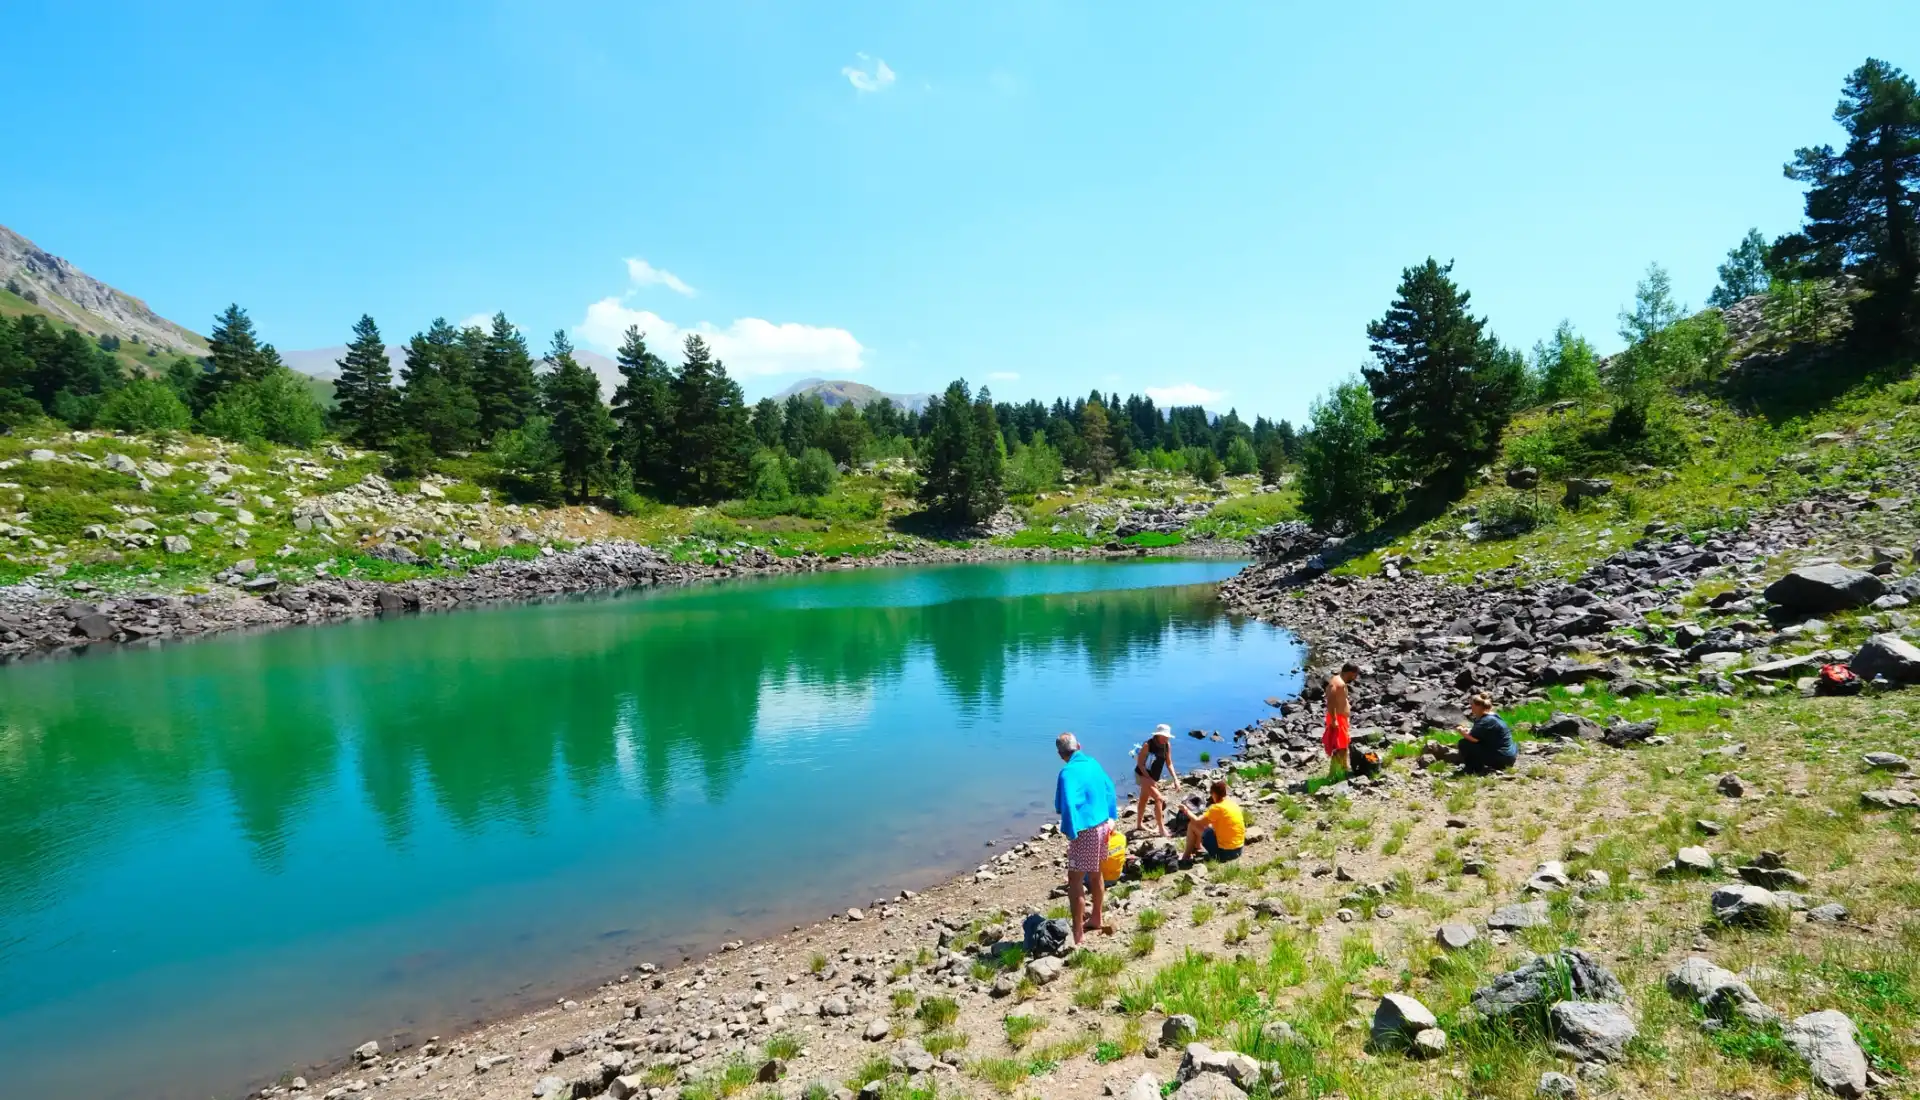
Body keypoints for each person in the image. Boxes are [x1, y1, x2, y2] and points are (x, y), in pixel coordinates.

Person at [1053, 732, 1119, 944]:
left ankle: (1078, 932)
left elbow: (1066, 805)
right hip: (1102, 825)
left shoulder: (1067, 773)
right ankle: (1097, 917)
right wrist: (1112, 817)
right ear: (1079, 746)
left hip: (1086, 830)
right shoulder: (1093, 763)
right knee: (1096, 871)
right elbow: (1110, 789)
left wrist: (1071, 832)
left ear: (1061, 754)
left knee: (1074, 879)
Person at [1183, 779, 1245, 862]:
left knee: (1192, 825)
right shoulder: (1232, 804)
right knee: (1208, 826)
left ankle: (1186, 856)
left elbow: (1198, 821)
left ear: (1214, 794)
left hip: (1224, 854)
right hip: (1239, 850)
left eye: (1211, 794)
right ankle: (1197, 848)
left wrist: (1185, 810)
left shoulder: (1217, 808)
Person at [1132, 724, 1178, 836]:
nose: (1166, 739)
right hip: (1142, 774)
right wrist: (1149, 779)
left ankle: (1139, 824)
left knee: (1144, 799)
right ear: (1157, 735)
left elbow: (1169, 763)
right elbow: (1140, 764)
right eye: (1163, 736)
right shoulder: (1148, 745)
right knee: (1159, 798)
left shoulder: (1167, 745)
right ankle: (1161, 829)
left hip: (1153, 777)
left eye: (1167, 737)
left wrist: (1175, 779)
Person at [1457, 693, 1517, 774]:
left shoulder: (1484, 721)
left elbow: (1474, 740)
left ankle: (1473, 769)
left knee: (1464, 743)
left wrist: (1462, 732)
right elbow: (1481, 733)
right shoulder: (1494, 716)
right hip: (1510, 755)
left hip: (1502, 759)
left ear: (1478, 706)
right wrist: (1468, 731)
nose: (1470, 707)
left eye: (1472, 705)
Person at [1323, 662, 1360, 779]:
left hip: (1340, 718)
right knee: (1340, 747)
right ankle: (1332, 775)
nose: (1355, 678)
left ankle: (1344, 769)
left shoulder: (1337, 680)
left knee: (1344, 744)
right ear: (1350, 673)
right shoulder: (1338, 683)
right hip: (1337, 718)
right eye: (1355, 675)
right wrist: (1334, 720)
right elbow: (1330, 701)